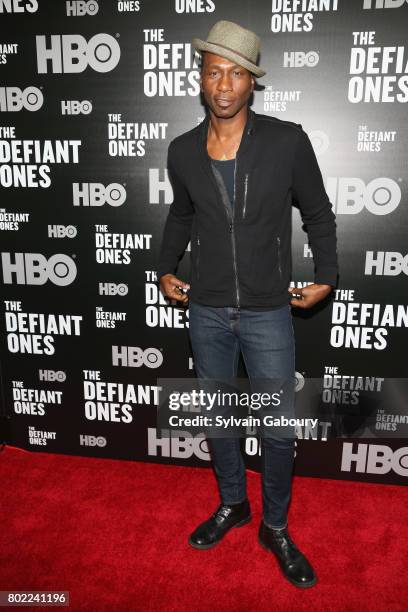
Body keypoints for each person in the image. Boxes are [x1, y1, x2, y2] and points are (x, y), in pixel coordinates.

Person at [157, 20, 338, 589]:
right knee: (218, 418)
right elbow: (181, 214)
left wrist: (327, 273)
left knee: (279, 425)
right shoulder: (183, 150)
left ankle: (276, 526)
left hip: (267, 312)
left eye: (237, 72)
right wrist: (164, 266)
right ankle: (234, 504)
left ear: (252, 83)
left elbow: (319, 213)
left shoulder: (287, 139)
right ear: (201, 80)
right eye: (215, 72)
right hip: (206, 310)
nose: (225, 83)